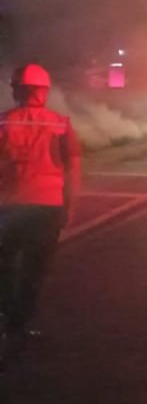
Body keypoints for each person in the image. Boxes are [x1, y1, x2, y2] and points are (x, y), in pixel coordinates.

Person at [0, 63, 81, 363]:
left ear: (17, 91)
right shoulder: (60, 124)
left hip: (8, 207)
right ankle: (19, 325)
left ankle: (5, 319)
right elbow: (73, 170)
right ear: (44, 91)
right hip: (47, 208)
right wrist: (70, 207)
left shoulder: (2, 122)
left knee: (4, 267)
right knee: (34, 271)